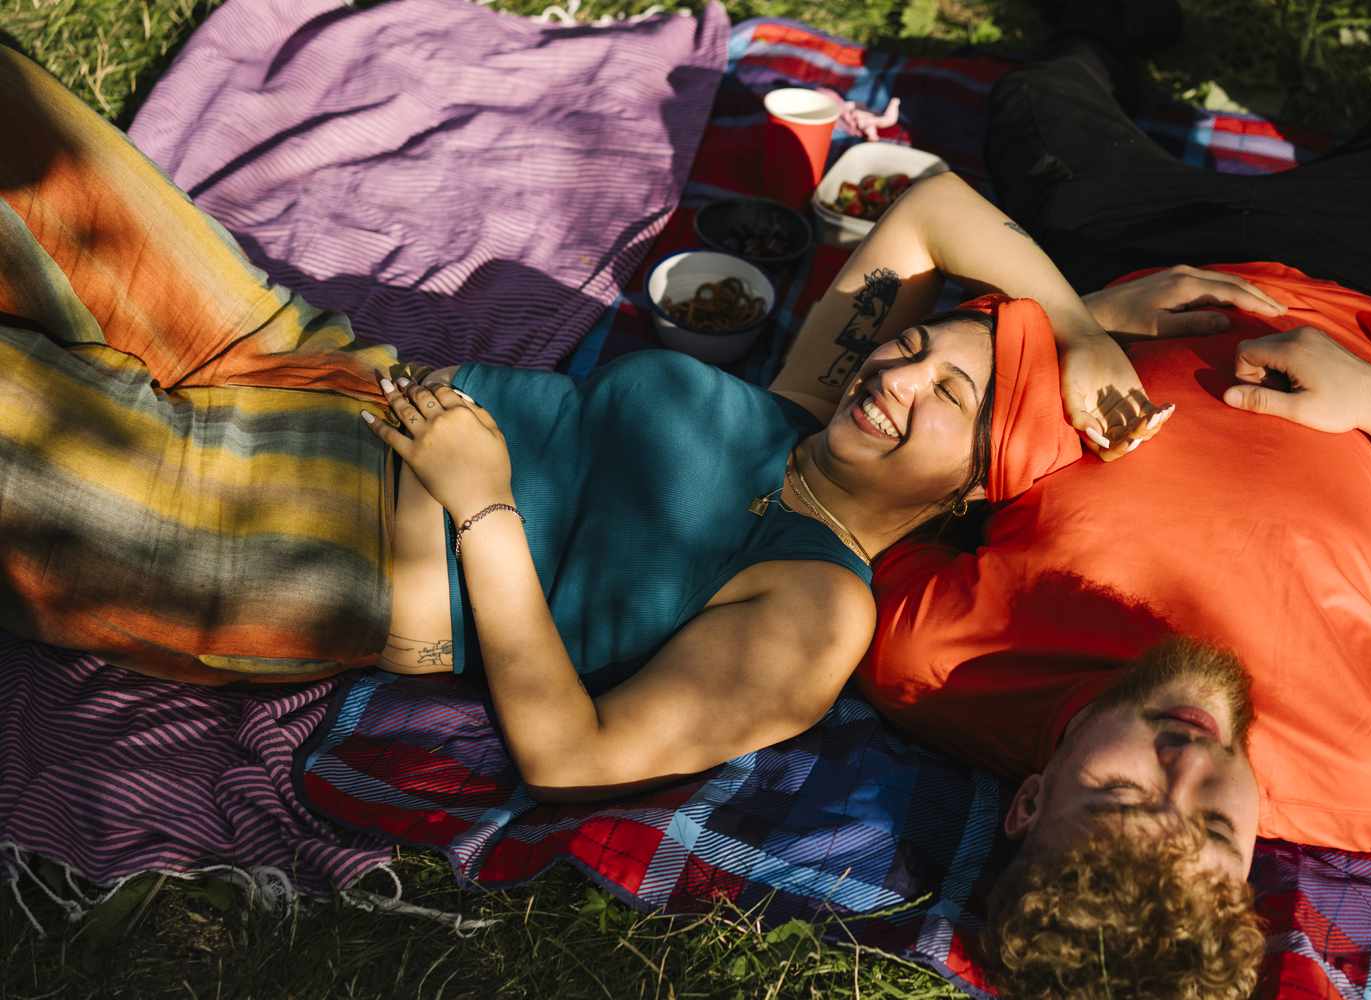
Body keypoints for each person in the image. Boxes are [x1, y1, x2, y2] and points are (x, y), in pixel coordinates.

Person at [0, 45, 1170, 804]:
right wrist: (1072, 325)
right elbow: (928, 209)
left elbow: (578, 752)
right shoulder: (804, 405)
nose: (898, 373)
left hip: (296, 541)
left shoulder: (822, 607)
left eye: (947, 399)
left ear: (967, 492)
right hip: (310, 361)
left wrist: (486, 508)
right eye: (914, 346)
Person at [856, 1, 1371, 995]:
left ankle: (1113, 33)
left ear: (1029, 800)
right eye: (1210, 822)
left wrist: (1085, 318)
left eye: (1119, 793)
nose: (1187, 762)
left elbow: (851, 481)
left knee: (1033, 106)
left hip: (1134, 270)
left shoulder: (937, 665)